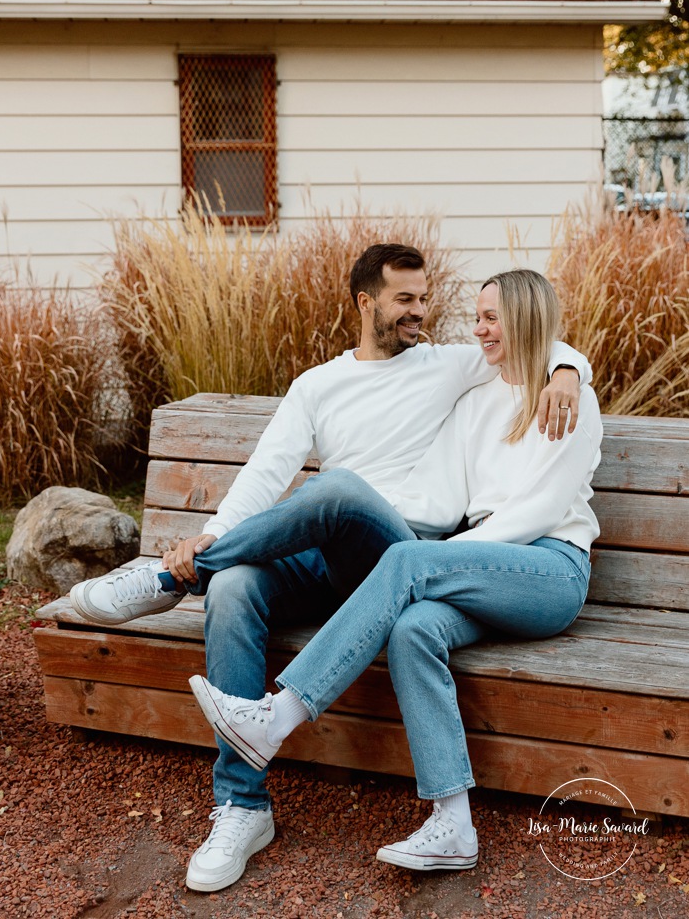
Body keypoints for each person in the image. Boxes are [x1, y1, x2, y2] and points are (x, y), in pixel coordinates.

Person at [69, 246, 589, 892]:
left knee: (342, 491)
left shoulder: (457, 368)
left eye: (429, 300)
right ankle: (242, 806)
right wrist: (216, 534)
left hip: (445, 554)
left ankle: (177, 588)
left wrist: (567, 369)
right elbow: (266, 474)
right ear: (365, 302)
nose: (424, 313)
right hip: (390, 560)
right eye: (406, 299)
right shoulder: (329, 385)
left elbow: (544, 346)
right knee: (237, 587)